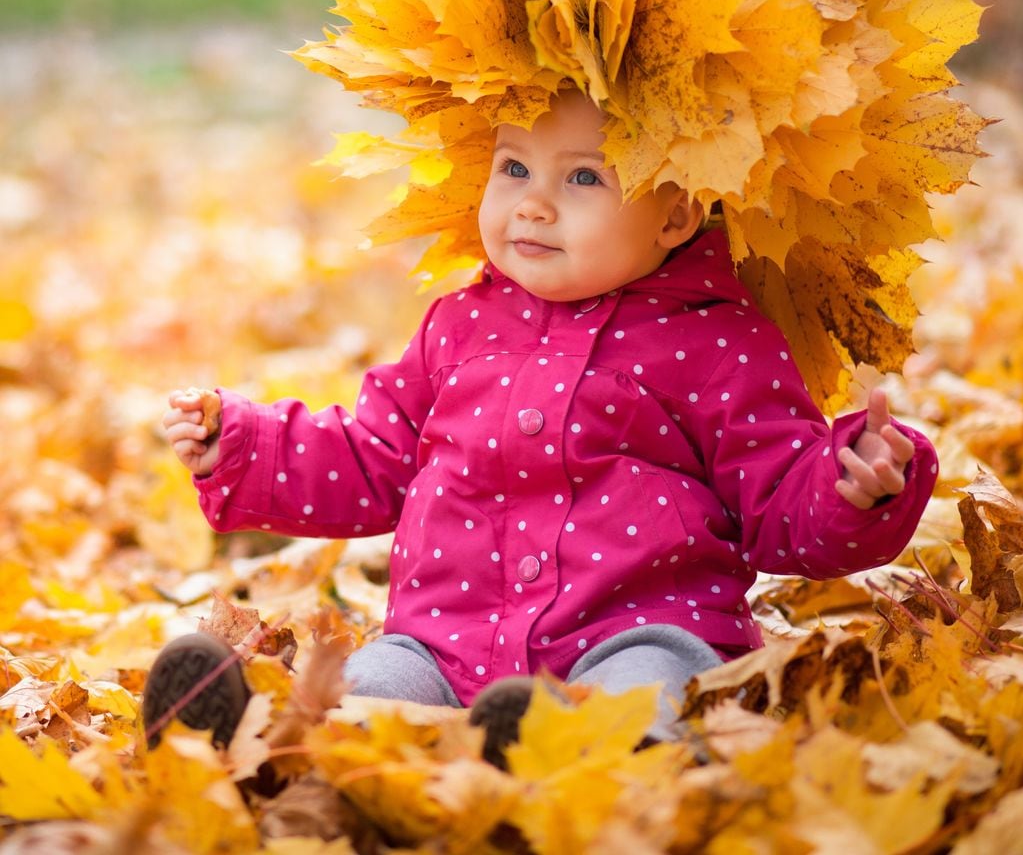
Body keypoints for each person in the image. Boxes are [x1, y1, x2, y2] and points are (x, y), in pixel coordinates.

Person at [147, 90, 937, 765]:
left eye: (584, 177)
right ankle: (251, 735)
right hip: (445, 643)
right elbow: (374, 455)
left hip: (639, 633)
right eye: (514, 168)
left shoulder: (719, 341)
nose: (533, 201)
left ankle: (597, 757)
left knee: (648, 693)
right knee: (373, 691)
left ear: (675, 214)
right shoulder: (458, 326)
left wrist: (851, 487)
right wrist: (244, 447)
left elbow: (777, 507)